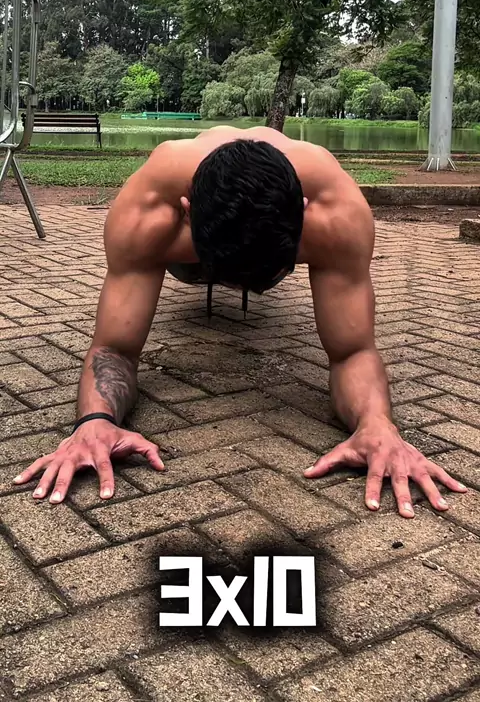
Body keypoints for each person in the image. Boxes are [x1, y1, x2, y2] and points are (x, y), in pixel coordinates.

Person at [14, 125, 466, 517]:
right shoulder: (150, 206)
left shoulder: (335, 211)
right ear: (187, 209)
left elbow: (353, 351)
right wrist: (94, 420)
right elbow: (114, 348)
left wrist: (377, 424)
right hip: (190, 252)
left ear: (303, 208)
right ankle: (227, 262)